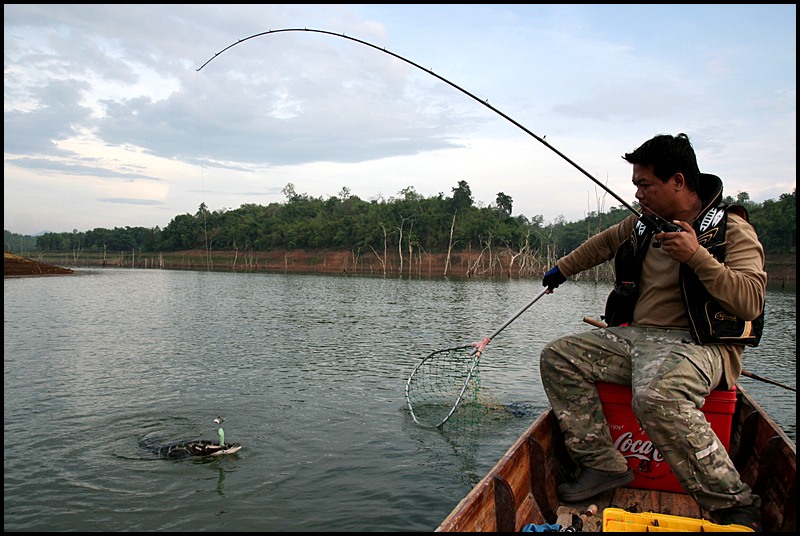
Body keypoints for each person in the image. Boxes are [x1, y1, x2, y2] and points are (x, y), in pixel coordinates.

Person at [539, 133, 766, 531]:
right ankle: (603, 464)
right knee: (559, 356)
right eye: (636, 186)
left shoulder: (731, 229)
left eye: (645, 184)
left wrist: (696, 256)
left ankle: (734, 502)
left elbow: (750, 301)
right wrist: (561, 270)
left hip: (703, 344)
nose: (638, 193)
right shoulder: (641, 224)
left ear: (677, 181)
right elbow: (601, 245)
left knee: (655, 396)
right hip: (639, 337)